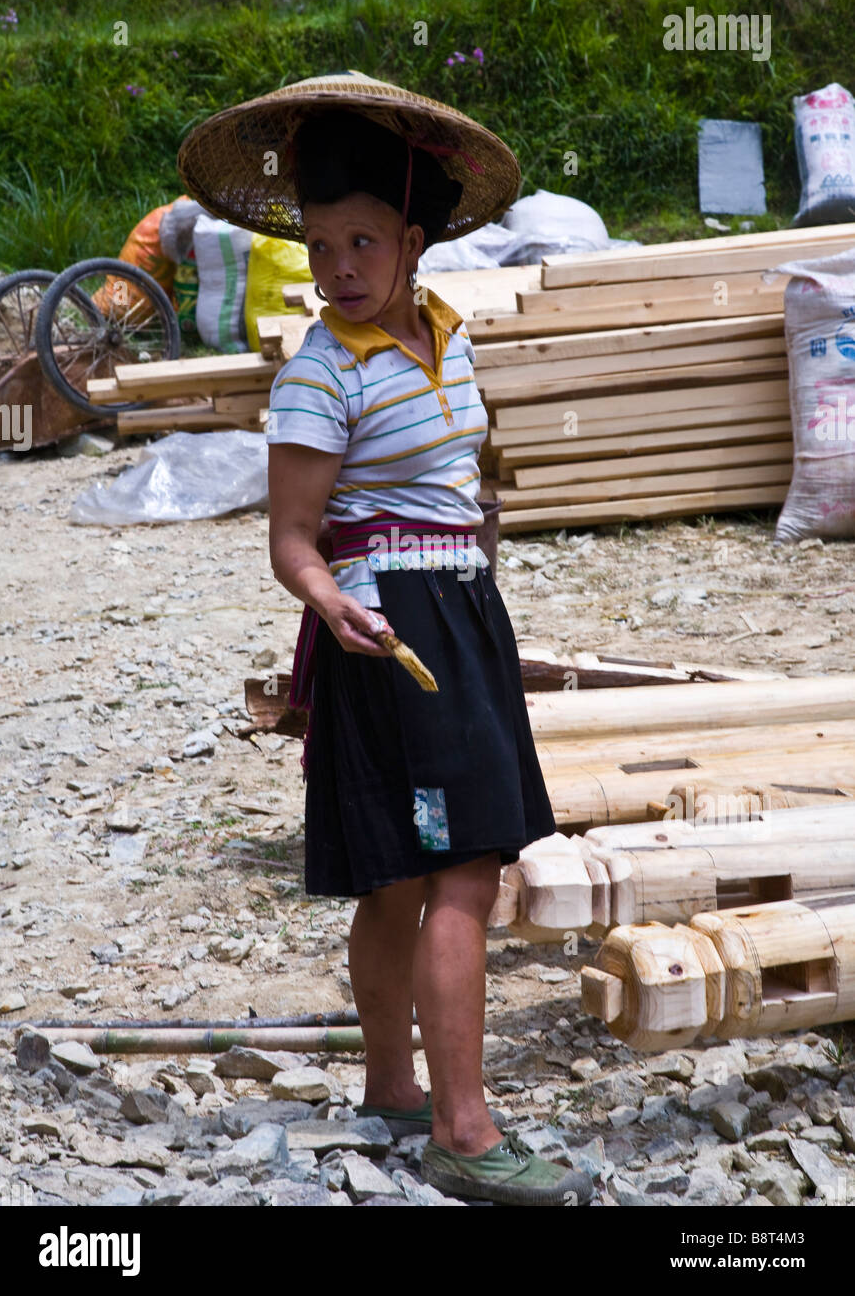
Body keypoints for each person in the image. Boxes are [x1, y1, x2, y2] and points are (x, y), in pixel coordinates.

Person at [178, 73, 592, 1207]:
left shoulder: (448, 334)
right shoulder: (319, 372)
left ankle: (392, 1084)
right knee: (457, 869)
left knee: (415, 876)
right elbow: (293, 538)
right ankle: (462, 1127)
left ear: (412, 241)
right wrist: (331, 605)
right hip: (385, 632)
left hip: (458, 616)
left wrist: (486, 604)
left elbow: (463, 487)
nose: (338, 268)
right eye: (318, 245)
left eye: (362, 240)